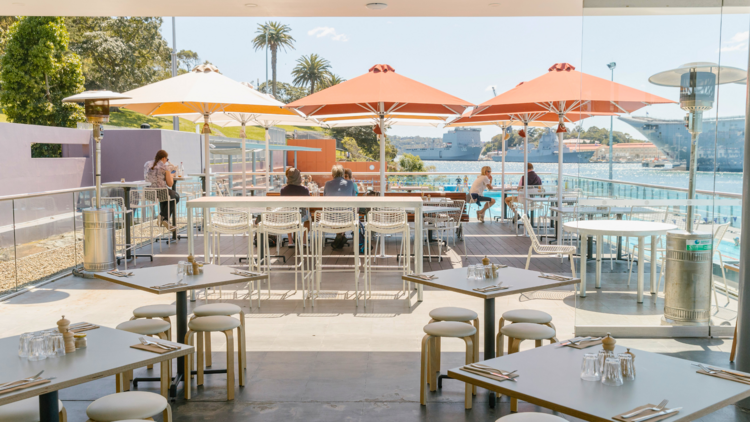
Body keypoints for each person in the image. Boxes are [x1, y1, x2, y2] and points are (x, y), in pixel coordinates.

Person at [144, 149, 180, 230]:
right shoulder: (165, 167)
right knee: (175, 196)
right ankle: (163, 217)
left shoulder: (147, 164)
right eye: (167, 160)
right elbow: (170, 184)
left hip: (148, 192)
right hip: (161, 192)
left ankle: (164, 219)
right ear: (164, 158)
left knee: (167, 197)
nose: (166, 161)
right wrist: (171, 175)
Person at [323, 165, 357, 249]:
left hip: (330, 218)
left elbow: (324, 200)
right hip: (347, 217)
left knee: (337, 213)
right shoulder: (350, 183)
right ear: (343, 174)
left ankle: (339, 235)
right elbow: (353, 200)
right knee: (345, 213)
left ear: (332, 174)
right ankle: (341, 235)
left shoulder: (327, 184)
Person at [280, 167, 310, 247]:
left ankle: (290, 240)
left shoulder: (283, 190)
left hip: (288, 215)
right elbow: (308, 204)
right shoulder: (304, 189)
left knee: (288, 217)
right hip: (301, 215)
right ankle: (304, 240)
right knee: (308, 219)